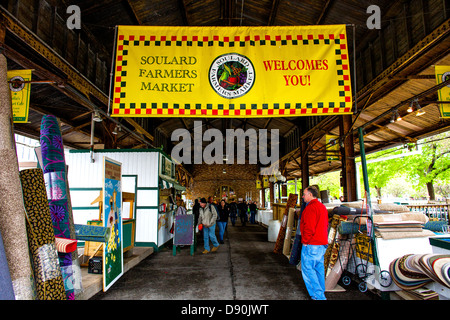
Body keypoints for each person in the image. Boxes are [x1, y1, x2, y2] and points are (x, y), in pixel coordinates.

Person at [300, 186, 329, 300]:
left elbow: (309, 228)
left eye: (304, 194)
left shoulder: (310, 208)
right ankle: (321, 292)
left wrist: (305, 242)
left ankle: (318, 296)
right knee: (318, 270)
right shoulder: (322, 207)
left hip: (312, 244)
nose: (303, 196)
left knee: (308, 271)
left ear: (310, 195)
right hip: (321, 244)